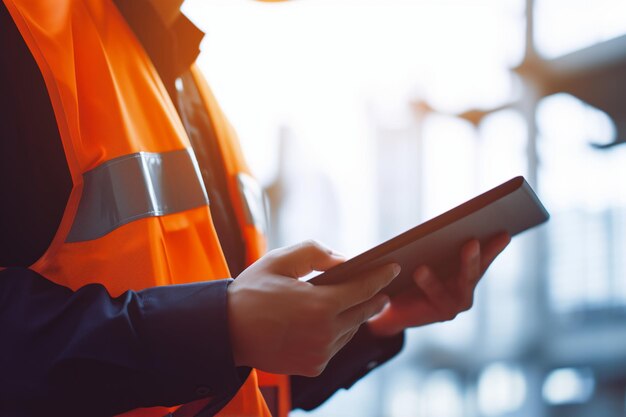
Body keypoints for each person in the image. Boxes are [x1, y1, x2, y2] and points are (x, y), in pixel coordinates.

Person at [0, 0, 511, 416]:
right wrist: (220, 328)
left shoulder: (188, 85)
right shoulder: (23, 30)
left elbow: (238, 383)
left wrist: (371, 320)